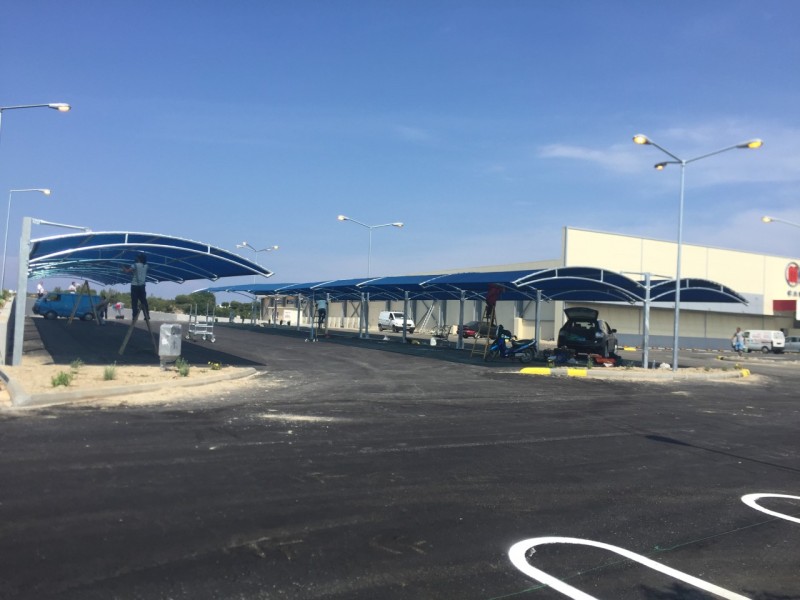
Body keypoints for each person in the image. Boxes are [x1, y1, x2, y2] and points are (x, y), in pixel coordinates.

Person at [122, 253, 150, 321]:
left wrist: (123, 267)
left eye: (137, 257)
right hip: (142, 286)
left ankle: (134, 315)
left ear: (139, 258)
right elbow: (140, 272)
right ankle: (147, 315)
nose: (135, 258)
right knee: (144, 301)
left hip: (134, 286)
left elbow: (127, 271)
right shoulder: (146, 266)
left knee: (134, 301)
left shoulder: (134, 265)